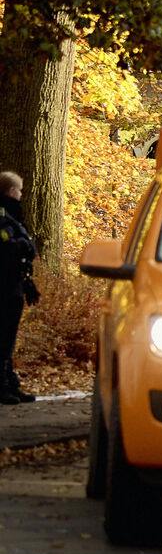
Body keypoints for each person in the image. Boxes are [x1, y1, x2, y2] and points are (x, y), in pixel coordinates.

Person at [0, 170, 41, 404]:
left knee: (8, 339)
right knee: (3, 338)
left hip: (14, 283)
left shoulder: (13, 216)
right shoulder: (4, 215)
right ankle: (3, 386)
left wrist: (27, 283)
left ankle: (9, 382)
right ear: (10, 191)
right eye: (19, 190)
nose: (21, 194)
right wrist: (21, 246)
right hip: (4, 286)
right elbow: (10, 248)